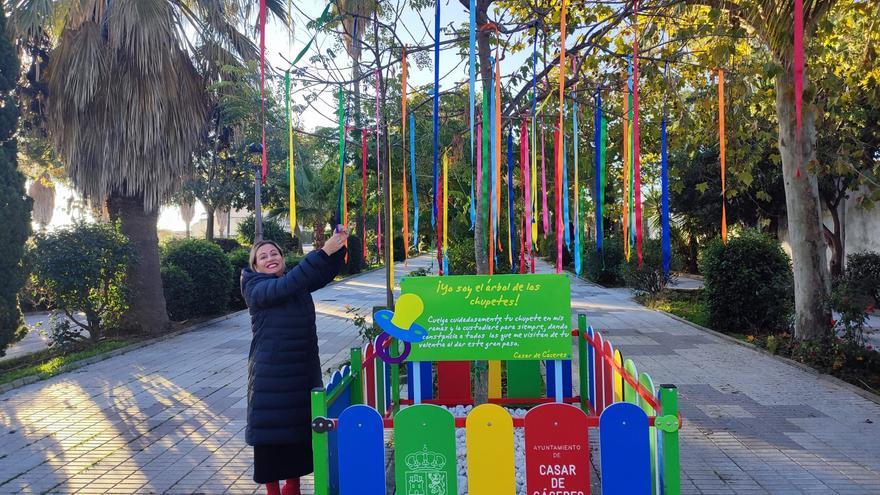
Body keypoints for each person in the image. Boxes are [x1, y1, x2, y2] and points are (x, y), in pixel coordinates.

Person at [241, 226, 348, 495]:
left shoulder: (294, 283)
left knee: (296, 441)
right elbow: (288, 284)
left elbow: (320, 273)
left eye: (274, 253)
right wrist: (324, 250)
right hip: (271, 378)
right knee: (271, 441)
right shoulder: (257, 288)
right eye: (263, 256)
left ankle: (293, 489)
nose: (270, 258)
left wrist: (338, 248)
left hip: (300, 373)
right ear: (255, 265)